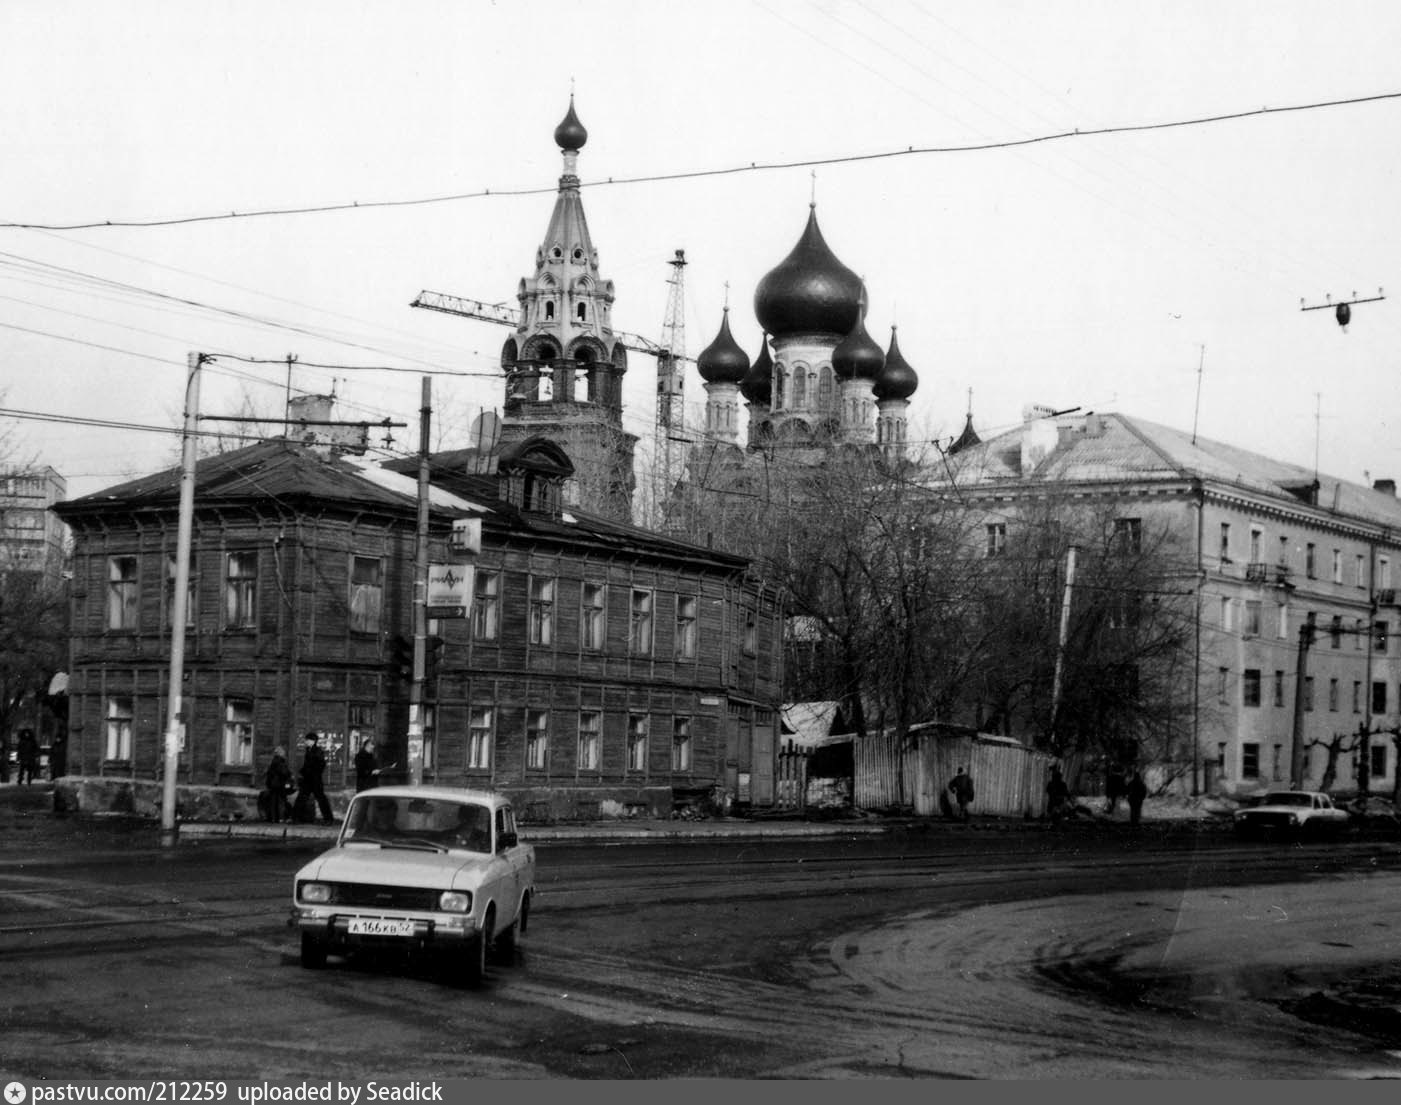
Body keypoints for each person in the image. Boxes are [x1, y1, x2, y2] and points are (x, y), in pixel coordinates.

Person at [298, 731, 334, 823]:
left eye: (307, 740)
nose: (306, 741)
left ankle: (328, 819)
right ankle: (296, 818)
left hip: (314, 779)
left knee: (321, 799)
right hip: (308, 779)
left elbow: (321, 764)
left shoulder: (317, 751)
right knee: (302, 797)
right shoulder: (309, 750)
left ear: (312, 741)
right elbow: (307, 765)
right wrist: (303, 772)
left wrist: (313, 773)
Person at [264, 745, 294, 823]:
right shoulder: (281, 762)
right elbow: (284, 773)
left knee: (273, 802)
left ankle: (273, 818)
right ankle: (281, 818)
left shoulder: (273, 761)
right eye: (283, 752)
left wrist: (269, 784)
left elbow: (269, 774)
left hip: (272, 785)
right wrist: (290, 774)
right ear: (281, 753)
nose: (284, 754)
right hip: (280, 785)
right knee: (281, 802)